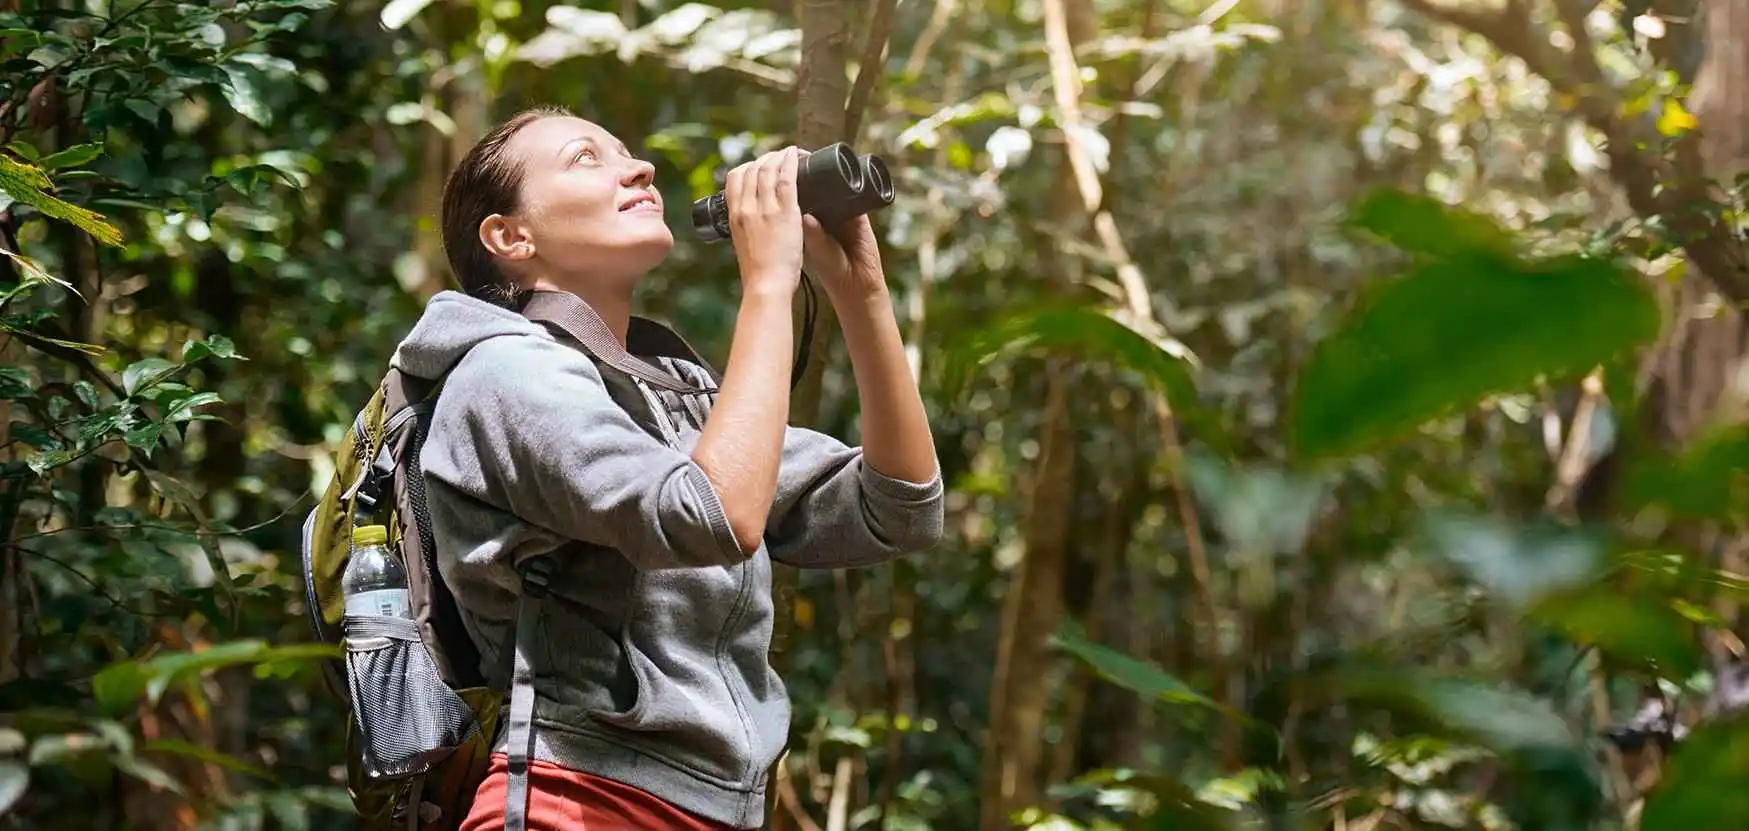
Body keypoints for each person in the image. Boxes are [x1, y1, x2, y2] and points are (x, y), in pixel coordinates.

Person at [389, 104, 944, 831]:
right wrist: (768, 286)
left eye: (625, 149)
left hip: (709, 808)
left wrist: (860, 292)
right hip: (575, 799)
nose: (638, 167)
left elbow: (897, 508)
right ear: (509, 235)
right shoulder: (502, 371)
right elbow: (711, 515)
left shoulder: (675, 396)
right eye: (586, 157)